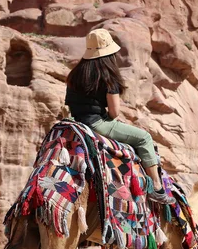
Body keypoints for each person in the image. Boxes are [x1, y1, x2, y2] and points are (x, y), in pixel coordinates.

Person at [65, 28, 175, 204]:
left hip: (76, 122)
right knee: (144, 138)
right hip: (97, 123)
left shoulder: (75, 73)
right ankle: (157, 187)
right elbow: (114, 113)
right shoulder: (108, 77)